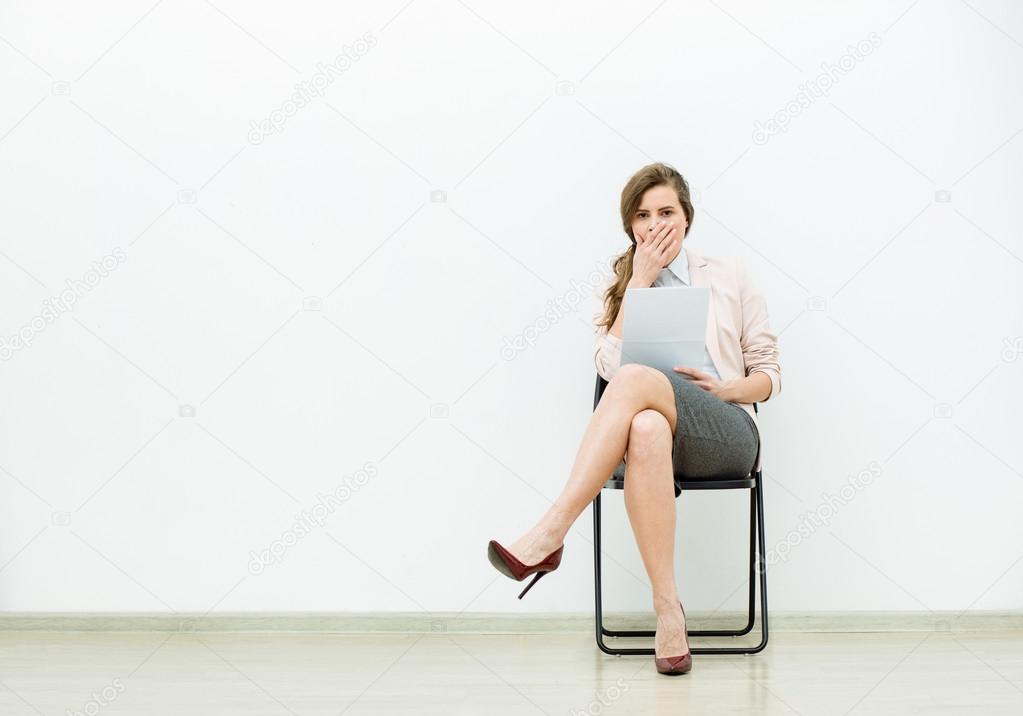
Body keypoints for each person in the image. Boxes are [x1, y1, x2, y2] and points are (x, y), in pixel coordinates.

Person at [487, 162, 781, 675]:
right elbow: (607, 365)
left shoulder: (729, 273)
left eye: (666, 211)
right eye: (643, 216)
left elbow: (770, 373)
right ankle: (669, 613)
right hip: (655, 437)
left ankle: (551, 533)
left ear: (687, 218)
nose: (655, 224)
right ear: (631, 228)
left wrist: (729, 388)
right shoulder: (624, 281)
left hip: (726, 430)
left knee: (633, 380)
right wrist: (639, 282)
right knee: (644, 423)